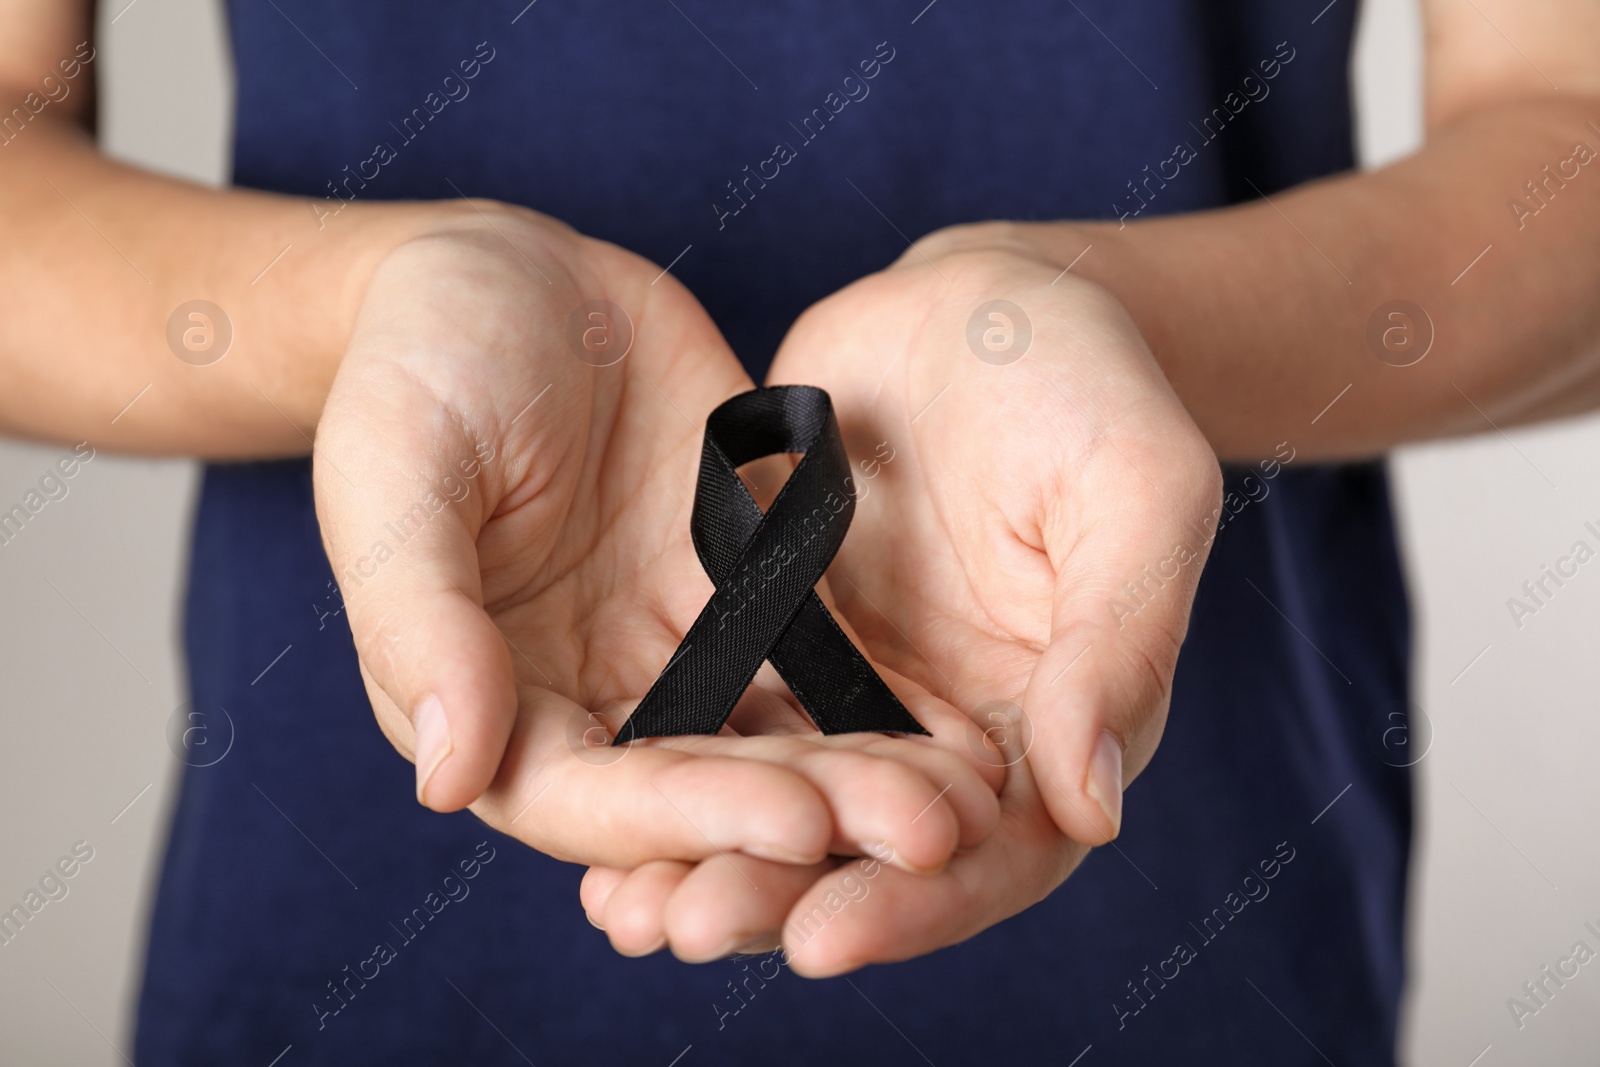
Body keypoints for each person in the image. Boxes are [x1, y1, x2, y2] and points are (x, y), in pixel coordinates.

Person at [3, 0, 1597, 1061]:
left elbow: (1570, 128)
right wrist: (365, 309)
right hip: (370, 880)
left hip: (1163, 854)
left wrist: (1117, 317)